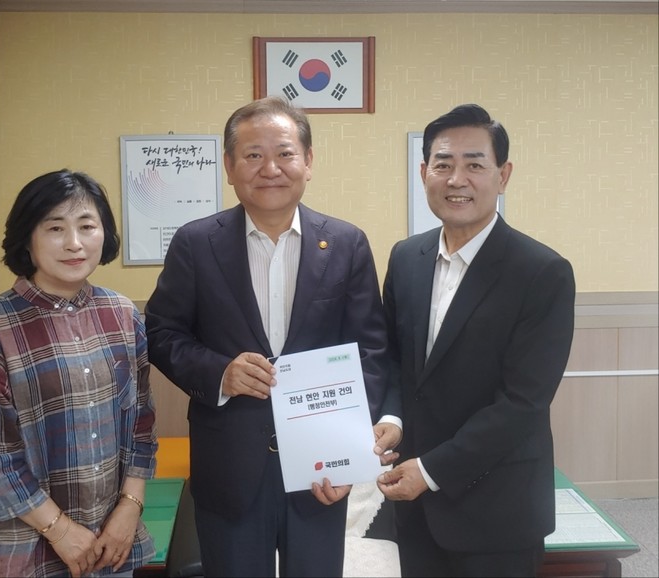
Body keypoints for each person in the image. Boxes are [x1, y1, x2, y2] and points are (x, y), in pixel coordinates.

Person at [144, 95, 388, 577]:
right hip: (229, 469)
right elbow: (161, 331)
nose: (270, 168)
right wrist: (220, 373)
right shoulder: (195, 243)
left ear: (308, 161)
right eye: (253, 155)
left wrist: (347, 457)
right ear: (229, 166)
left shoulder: (346, 244)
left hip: (321, 470)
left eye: (285, 153)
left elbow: (371, 353)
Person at [375, 103, 576, 577]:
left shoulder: (542, 272)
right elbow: (392, 359)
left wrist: (430, 471)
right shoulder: (406, 257)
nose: (456, 179)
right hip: (413, 508)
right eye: (443, 164)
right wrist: (391, 417)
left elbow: (523, 403)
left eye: (475, 165)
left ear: (503, 176)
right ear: (424, 173)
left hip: (498, 511)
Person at [0, 169, 158, 578]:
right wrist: (60, 530)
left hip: (110, 536)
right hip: (25, 543)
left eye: (87, 226)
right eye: (55, 228)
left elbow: (142, 423)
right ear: (27, 239)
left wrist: (129, 508)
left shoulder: (121, 313)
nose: (74, 243)